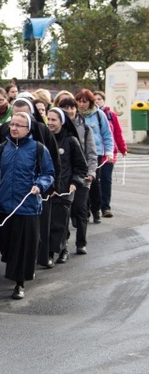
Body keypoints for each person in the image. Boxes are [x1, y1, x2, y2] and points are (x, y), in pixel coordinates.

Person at [0, 112, 54, 300]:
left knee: (22, 246)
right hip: (3, 206)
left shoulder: (39, 149)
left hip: (27, 207)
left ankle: (19, 283)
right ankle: (16, 267)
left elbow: (48, 173)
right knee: (5, 241)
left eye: (19, 125)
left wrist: (40, 186)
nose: (14, 128)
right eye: (12, 124)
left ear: (29, 129)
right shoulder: (2, 149)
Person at [46, 108, 88, 264]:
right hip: (47, 188)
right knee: (48, 222)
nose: (50, 123)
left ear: (62, 122)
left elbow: (81, 166)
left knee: (60, 221)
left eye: (53, 120)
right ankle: (49, 252)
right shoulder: (44, 139)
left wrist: (74, 182)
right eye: (48, 119)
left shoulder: (71, 141)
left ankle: (60, 250)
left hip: (65, 188)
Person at [59, 97, 97, 255]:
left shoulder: (85, 128)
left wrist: (91, 172)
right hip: (65, 176)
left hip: (82, 175)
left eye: (71, 107)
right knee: (65, 212)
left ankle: (81, 242)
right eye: (65, 107)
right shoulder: (58, 129)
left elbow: (91, 152)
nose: (69, 110)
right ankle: (63, 244)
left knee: (80, 209)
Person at [75, 89, 114, 225]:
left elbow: (107, 135)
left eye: (85, 102)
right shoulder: (75, 115)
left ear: (90, 102)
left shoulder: (99, 115)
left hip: (95, 153)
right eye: (79, 101)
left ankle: (96, 209)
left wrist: (109, 152)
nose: (81, 104)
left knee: (94, 182)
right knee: (81, 181)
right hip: (78, 153)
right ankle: (84, 210)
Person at [93, 90, 125, 218]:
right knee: (95, 181)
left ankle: (105, 207)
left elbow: (117, 133)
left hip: (108, 154)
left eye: (99, 99)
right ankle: (93, 206)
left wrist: (122, 148)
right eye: (94, 99)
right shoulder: (89, 115)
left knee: (106, 179)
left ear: (104, 101)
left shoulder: (111, 115)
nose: (97, 101)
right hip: (94, 154)